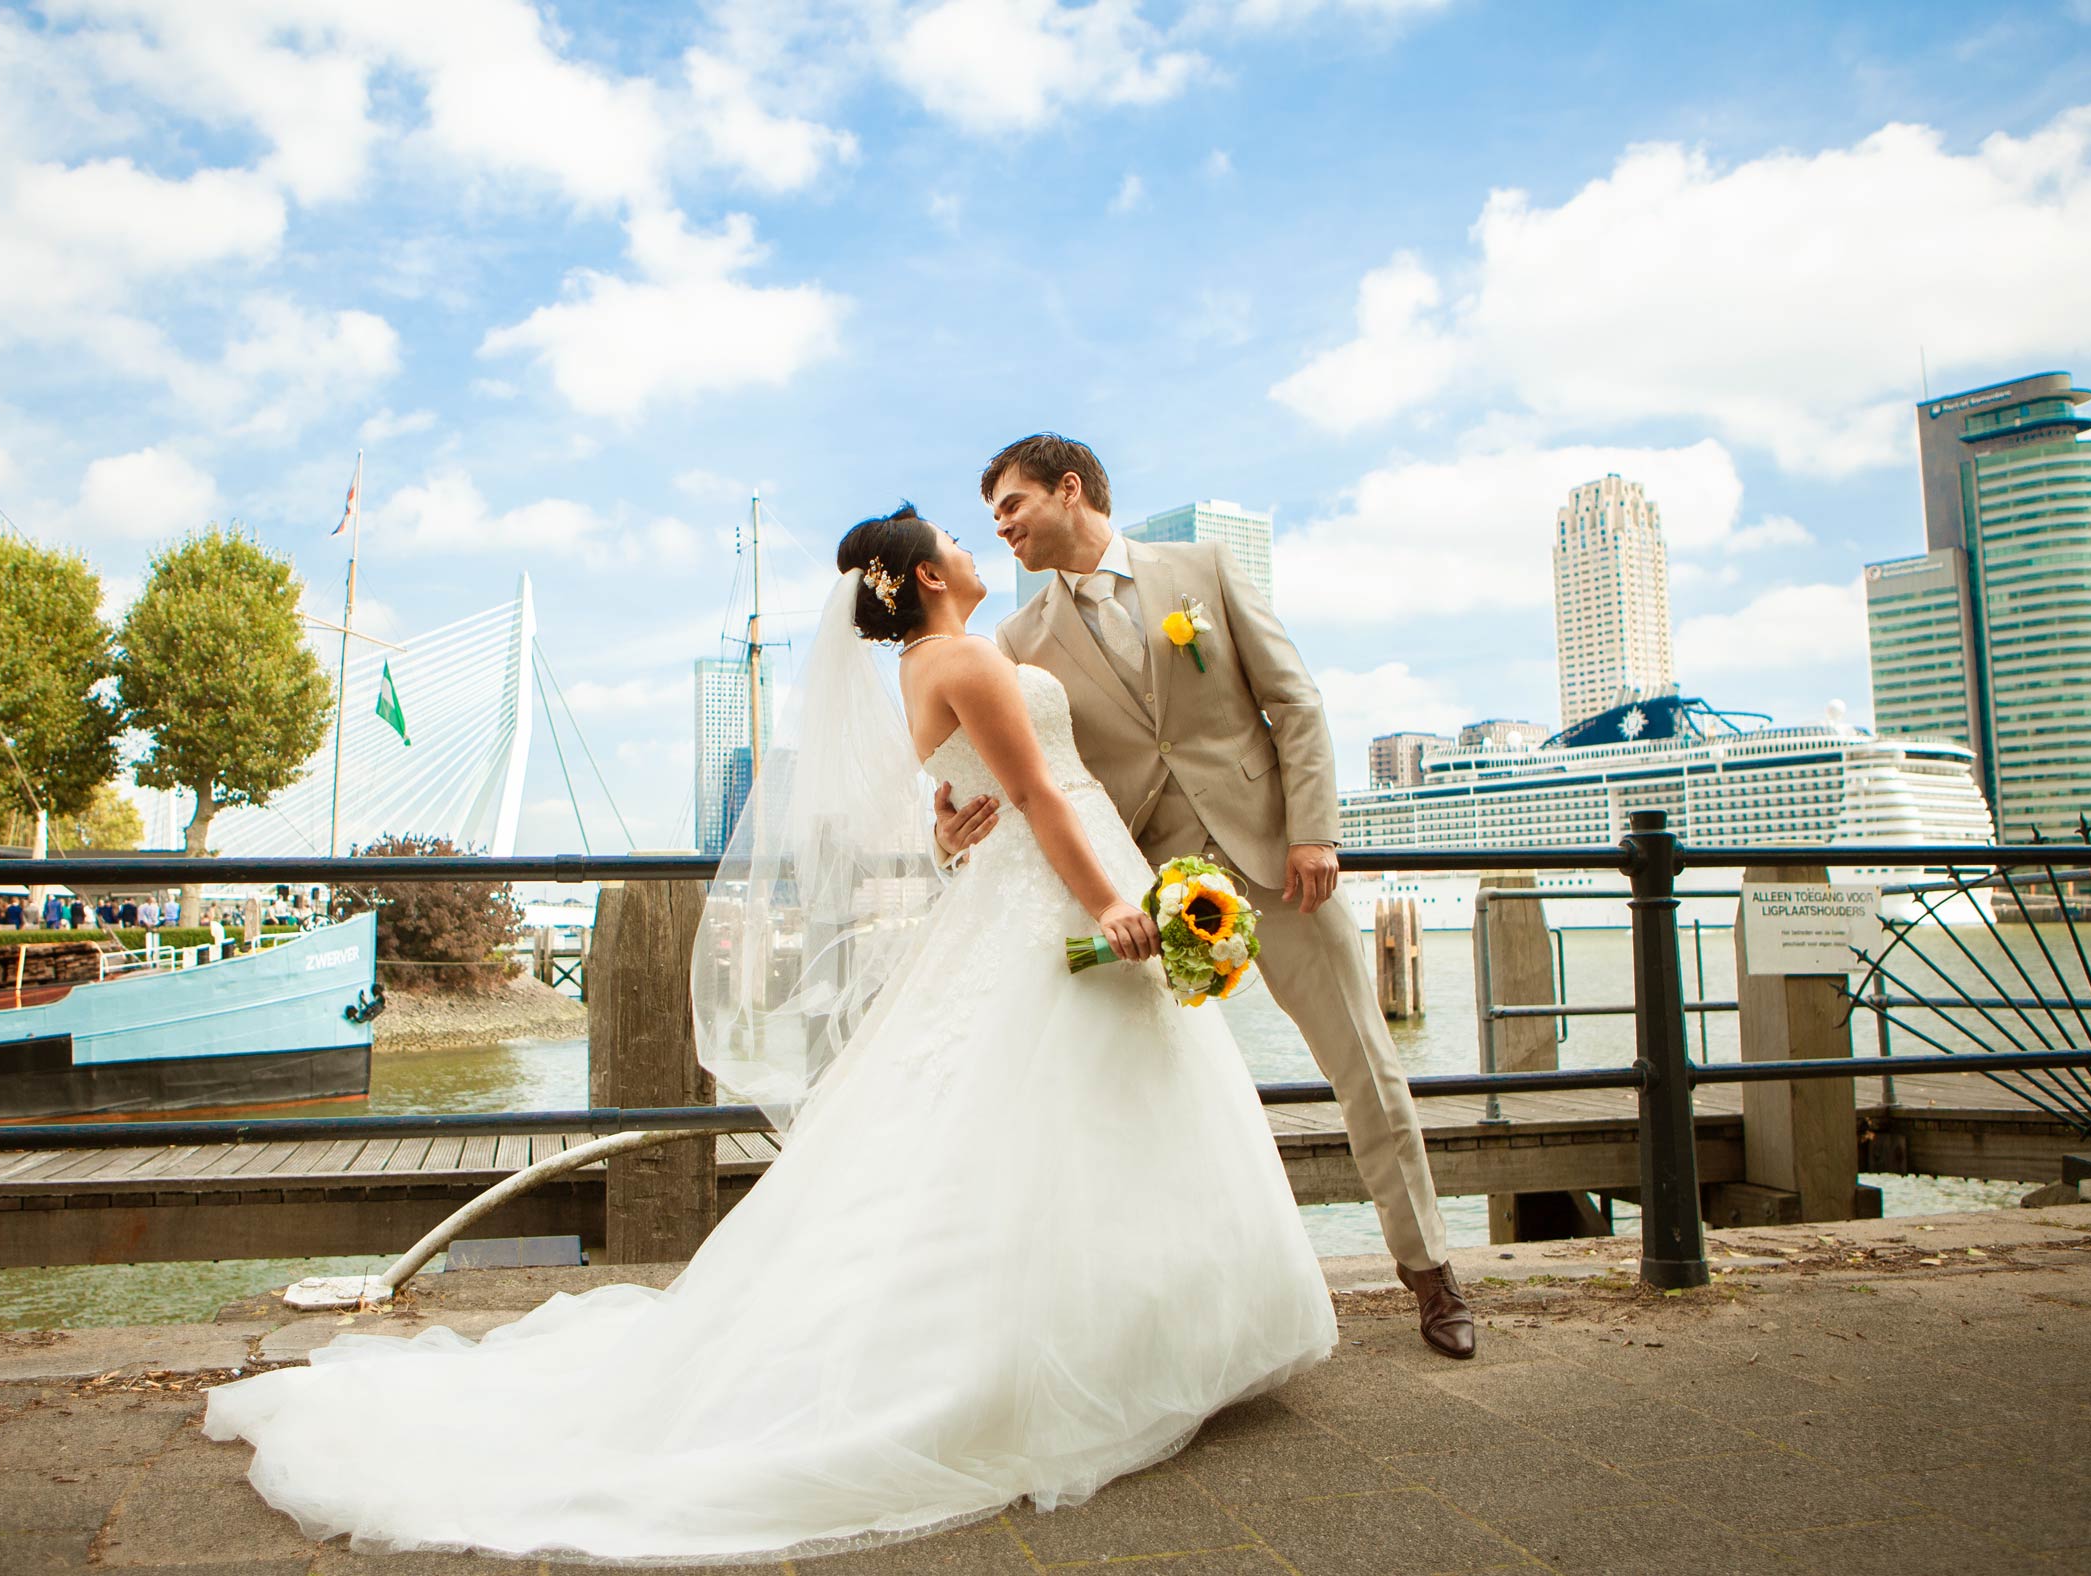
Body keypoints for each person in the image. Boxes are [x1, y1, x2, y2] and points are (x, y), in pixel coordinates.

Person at [203, 504, 1336, 1565]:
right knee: (1070, 1108)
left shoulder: (919, 668)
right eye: (955, 536)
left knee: (1032, 1112)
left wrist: (950, 832)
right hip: (1062, 883)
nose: (973, 542)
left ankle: (1117, 1331)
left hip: (1017, 888)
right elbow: (1038, 794)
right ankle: (1104, 1345)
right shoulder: (970, 658)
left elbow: (956, 801)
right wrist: (1109, 904)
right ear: (928, 575)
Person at [949, 434, 1474, 1360]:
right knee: (1154, 1093)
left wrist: (1313, 832)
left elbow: (1295, 703)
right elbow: (1016, 776)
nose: (1001, 529)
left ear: (1069, 490)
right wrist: (949, 832)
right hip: (1148, 896)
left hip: (1280, 866)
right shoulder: (1018, 641)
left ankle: (1430, 1272)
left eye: (1012, 506)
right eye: (993, 517)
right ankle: (1174, 1311)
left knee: (1365, 1064)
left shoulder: (1204, 569)